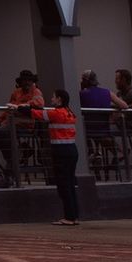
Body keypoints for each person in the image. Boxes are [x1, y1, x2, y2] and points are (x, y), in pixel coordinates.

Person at [44, 88, 80, 225]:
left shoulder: (57, 114)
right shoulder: (70, 113)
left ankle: (69, 217)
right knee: (70, 183)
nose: (52, 99)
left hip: (61, 152)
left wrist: (20, 108)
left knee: (63, 184)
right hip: (71, 150)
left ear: (59, 99)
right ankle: (74, 215)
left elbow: (37, 114)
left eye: (53, 97)